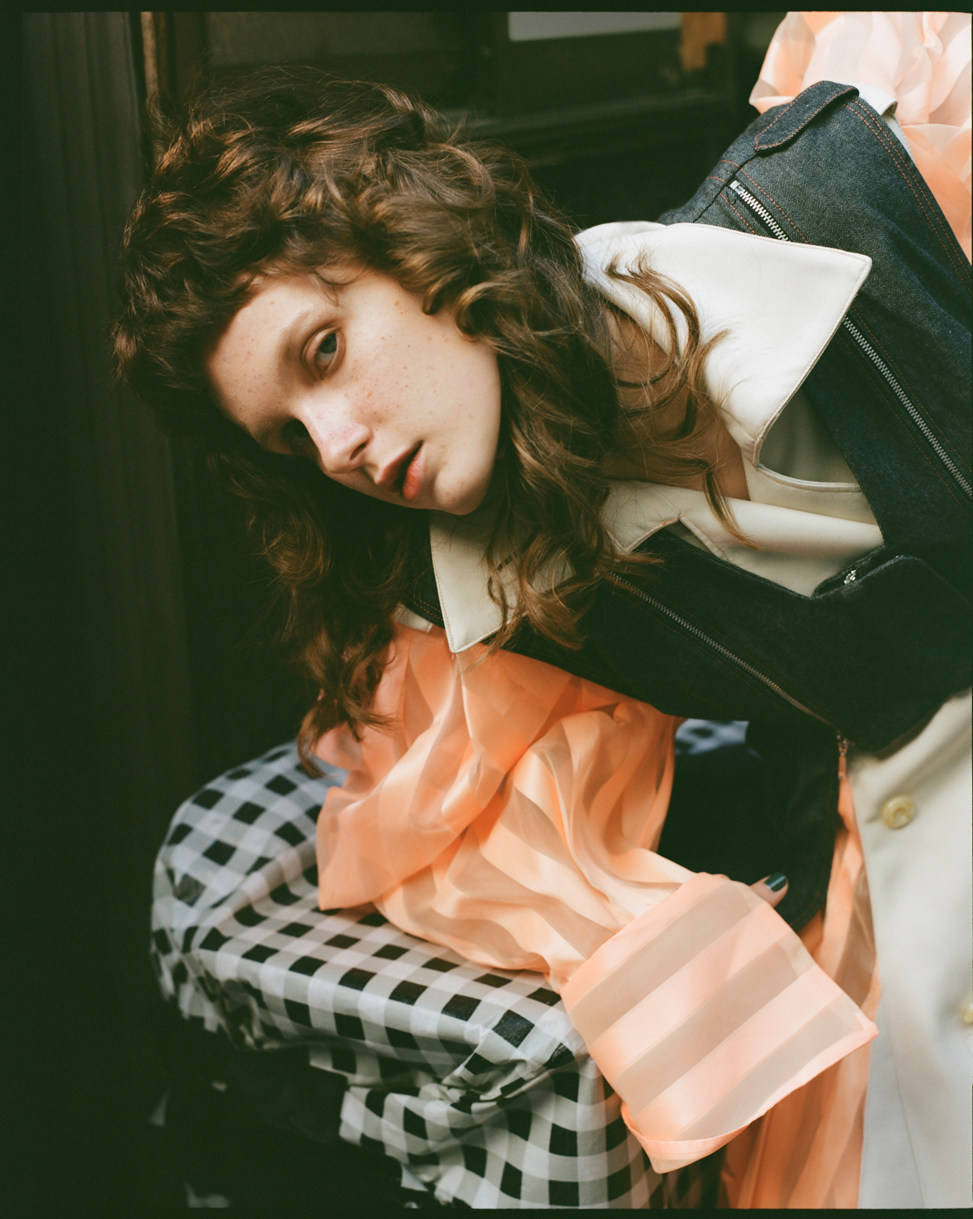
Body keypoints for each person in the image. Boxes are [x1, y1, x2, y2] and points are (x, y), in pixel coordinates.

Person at [113, 12, 970, 1209]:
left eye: (325, 350)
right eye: (290, 438)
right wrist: (684, 960)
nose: (337, 445)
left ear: (415, 243)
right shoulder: (493, 597)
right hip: (918, 878)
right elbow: (457, 836)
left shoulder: (858, 191)